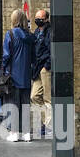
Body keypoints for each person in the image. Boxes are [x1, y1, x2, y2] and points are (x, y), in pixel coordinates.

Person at [0, 9, 35, 141]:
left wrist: (2, 69)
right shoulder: (30, 36)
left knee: (12, 104)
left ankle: (14, 133)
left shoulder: (10, 34)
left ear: (14, 20)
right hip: (26, 75)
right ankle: (26, 133)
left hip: (12, 75)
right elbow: (33, 57)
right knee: (25, 104)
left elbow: (6, 55)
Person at [30, 7, 53, 139]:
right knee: (34, 96)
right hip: (37, 68)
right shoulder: (36, 32)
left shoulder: (49, 32)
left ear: (46, 19)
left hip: (45, 67)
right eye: (37, 18)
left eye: (40, 19)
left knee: (47, 98)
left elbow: (50, 49)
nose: (38, 20)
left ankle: (49, 126)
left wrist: (47, 66)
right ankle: (45, 122)